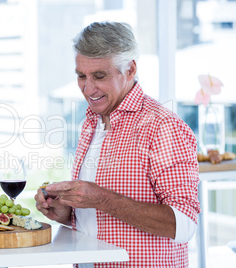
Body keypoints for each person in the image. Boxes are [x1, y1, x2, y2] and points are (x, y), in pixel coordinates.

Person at [35, 22, 200, 267]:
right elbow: (100, 221)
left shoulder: (163, 126)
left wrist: (102, 199)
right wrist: (68, 214)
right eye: (81, 76)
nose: (88, 88)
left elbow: (184, 225)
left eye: (99, 76)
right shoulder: (91, 124)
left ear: (130, 69)